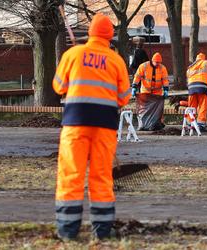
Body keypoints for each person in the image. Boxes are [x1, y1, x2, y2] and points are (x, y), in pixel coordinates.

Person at [52, 13, 131, 241]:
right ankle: (102, 231)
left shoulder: (73, 54)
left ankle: (67, 231)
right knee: (102, 176)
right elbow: (124, 97)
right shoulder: (116, 60)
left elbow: (58, 86)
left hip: (75, 124)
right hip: (105, 126)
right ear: (110, 35)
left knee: (71, 174)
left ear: (90, 33)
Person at [132, 52, 169, 130]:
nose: (157, 64)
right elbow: (137, 77)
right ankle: (143, 124)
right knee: (144, 108)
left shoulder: (162, 68)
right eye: (156, 62)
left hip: (157, 92)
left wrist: (166, 90)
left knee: (157, 109)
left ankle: (156, 124)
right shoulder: (143, 66)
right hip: (145, 91)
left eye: (159, 63)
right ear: (152, 60)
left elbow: (165, 80)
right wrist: (134, 87)